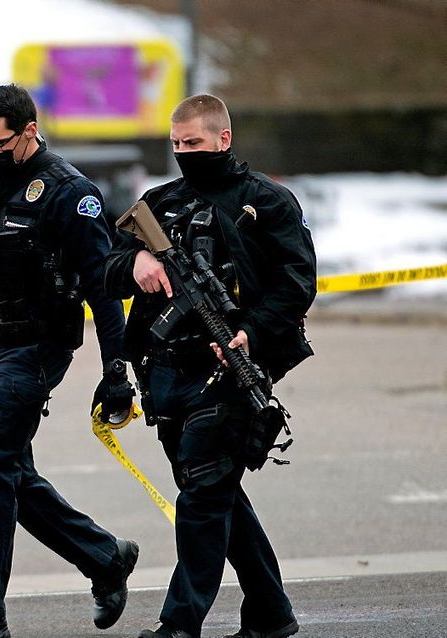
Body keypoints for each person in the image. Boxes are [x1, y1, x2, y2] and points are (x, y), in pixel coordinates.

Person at [0, 84, 139, 638]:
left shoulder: (72, 194)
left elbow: (105, 289)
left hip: (37, 347)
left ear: (29, 131)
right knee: (10, 474)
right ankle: (105, 557)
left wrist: (115, 370)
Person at [103, 94, 316, 638]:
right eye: (176, 144)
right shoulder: (160, 202)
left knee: (201, 495)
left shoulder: (266, 202)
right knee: (216, 491)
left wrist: (251, 333)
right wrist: (137, 261)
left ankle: (180, 623)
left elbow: (297, 283)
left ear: (223, 139)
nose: (184, 153)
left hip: (232, 366)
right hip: (167, 371)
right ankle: (270, 613)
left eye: (193, 143)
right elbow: (102, 268)